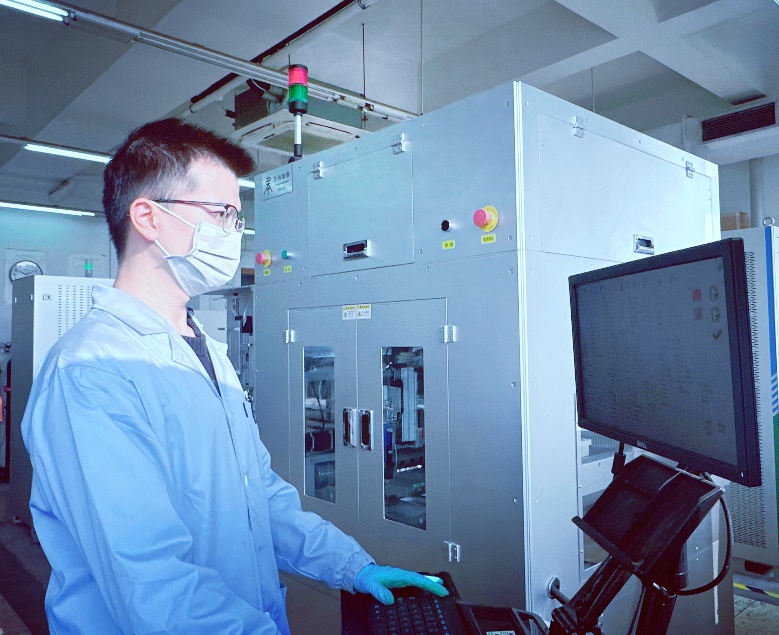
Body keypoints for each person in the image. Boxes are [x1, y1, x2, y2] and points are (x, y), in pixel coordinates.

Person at [22, 118, 447, 634]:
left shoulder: (207, 352)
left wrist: (351, 566)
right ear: (147, 217)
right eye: (221, 213)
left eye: (238, 218)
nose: (234, 234)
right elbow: (152, 581)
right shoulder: (91, 373)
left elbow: (258, 496)